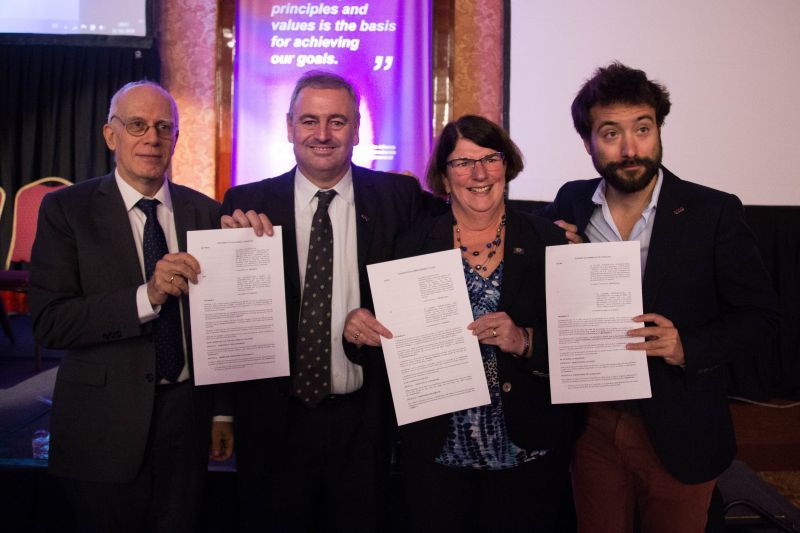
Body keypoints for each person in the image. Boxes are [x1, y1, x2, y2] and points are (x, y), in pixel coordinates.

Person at [541, 62, 779, 533]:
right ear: (587, 142)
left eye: (643, 129)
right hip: (592, 427)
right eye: (610, 133)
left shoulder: (713, 213)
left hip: (681, 429)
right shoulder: (570, 204)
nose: (630, 149)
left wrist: (687, 346)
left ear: (658, 130)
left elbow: (761, 317)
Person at [220, 70, 446, 532]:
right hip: (272, 419)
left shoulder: (397, 196)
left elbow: (466, 217)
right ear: (288, 127)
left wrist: (547, 228)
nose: (322, 134)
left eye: (337, 121)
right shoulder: (245, 204)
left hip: (363, 419)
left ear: (358, 128)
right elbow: (225, 319)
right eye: (309, 121)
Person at [347, 115, 581, 532]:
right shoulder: (411, 245)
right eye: (462, 163)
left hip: (527, 453)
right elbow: (379, 340)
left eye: (490, 159)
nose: (478, 174)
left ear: (507, 165)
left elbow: (581, 344)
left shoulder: (549, 240)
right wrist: (359, 331)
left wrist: (525, 340)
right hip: (438, 454)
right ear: (443, 175)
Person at [29, 81, 233, 533]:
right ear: (110, 135)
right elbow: (49, 322)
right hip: (102, 423)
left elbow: (222, 323)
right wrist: (148, 296)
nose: (152, 138)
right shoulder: (66, 210)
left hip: (187, 420)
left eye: (164, 127)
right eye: (137, 125)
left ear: (176, 139)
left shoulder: (206, 212)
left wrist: (221, 411)